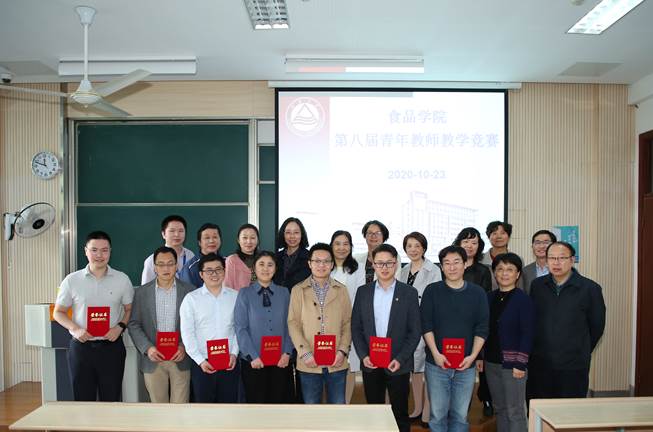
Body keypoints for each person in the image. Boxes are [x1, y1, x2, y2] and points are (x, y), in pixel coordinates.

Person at [53, 231, 134, 401]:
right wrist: (75, 329)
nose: (99, 255)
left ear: (110, 252)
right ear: (86, 251)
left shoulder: (122, 279)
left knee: (111, 399)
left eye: (104, 250)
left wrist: (120, 327)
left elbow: (129, 309)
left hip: (111, 348)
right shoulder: (71, 280)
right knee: (83, 400)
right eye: (94, 250)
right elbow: (58, 312)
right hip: (81, 348)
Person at [351, 244, 421, 432]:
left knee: (400, 413)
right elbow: (356, 327)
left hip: (398, 363)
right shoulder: (363, 292)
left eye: (389, 263)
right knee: (374, 412)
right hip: (371, 363)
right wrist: (364, 355)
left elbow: (415, 331)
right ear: (373, 265)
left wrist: (401, 359)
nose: (384, 267)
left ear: (396, 264)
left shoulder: (409, 293)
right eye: (379, 263)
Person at [421, 245, 489, 432]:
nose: (452, 267)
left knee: (460, 416)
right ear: (442, 267)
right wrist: (436, 354)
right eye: (447, 263)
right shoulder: (432, 291)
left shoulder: (477, 293)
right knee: (438, 415)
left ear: (465, 264)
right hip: (436, 364)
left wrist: (473, 356)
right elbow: (426, 325)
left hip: (465, 365)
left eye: (456, 262)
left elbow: (482, 328)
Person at [528, 242, 606, 400]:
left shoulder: (590, 289)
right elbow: (532, 321)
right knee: (540, 407)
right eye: (552, 258)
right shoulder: (537, 285)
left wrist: (580, 348)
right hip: (540, 362)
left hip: (573, 365)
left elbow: (597, 326)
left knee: (569, 408)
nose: (556, 263)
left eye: (562, 258)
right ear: (546, 260)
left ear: (572, 260)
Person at [128, 246, 195, 403]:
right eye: (161, 264)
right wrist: (148, 348)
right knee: (159, 409)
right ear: (154, 267)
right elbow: (134, 324)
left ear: (176, 265)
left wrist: (184, 346)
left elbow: (195, 325)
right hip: (153, 358)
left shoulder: (189, 291)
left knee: (180, 409)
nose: (166, 268)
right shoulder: (141, 292)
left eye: (170, 264)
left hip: (180, 357)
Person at [287, 243, 352, 404]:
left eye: (326, 261)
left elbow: (348, 323)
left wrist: (342, 351)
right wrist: (305, 353)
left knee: (337, 407)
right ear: (309, 263)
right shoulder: (298, 290)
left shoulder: (341, 290)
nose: (321, 265)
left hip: (336, 361)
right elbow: (293, 323)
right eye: (317, 261)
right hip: (309, 361)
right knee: (312, 410)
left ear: (332, 264)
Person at [478, 253, 534, 432]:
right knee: (499, 408)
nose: (504, 273)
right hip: (491, 363)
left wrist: (520, 363)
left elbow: (528, 333)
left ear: (518, 274)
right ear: (494, 272)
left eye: (510, 269)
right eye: (500, 269)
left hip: (514, 365)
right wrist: (480, 357)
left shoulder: (523, 299)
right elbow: (482, 330)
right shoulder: (489, 297)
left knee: (514, 410)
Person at [180, 253, 239, 403]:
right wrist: (200, 360)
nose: (214, 274)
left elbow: (239, 329)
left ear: (224, 271)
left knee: (228, 407)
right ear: (201, 274)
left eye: (218, 269)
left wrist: (234, 353)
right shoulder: (191, 299)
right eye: (209, 270)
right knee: (204, 409)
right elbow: (187, 333)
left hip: (229, 362)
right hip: (202, 363)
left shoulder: (235, 297)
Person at [234, 251, 293, 403]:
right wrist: (252, 356)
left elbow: (291, 325)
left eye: (270, 265)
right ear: (254, 268)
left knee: (279, 403)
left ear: (275, 268)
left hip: (281, 361)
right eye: (261, 264)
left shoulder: (284, 293)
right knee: (256, 405)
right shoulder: (244, 294)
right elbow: (241, 328)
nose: (266, 268)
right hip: (254, 362)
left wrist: (287, 353)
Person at [398, 232, 441, 426]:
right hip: (406, 326)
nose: (413, 249)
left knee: (427, 371)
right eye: (409, 246)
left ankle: (427, 412)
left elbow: (435, 299)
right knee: (414, 369)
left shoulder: (433, 270)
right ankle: (417, 408)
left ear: (424, 248)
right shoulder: (403, 270)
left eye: (417, 245)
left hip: (425, 325)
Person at [453, 227, 493, 416]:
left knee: (477, 366)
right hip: (452, 328)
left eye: (474, 242)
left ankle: (483, 400)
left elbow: (485, 302)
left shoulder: (483, 270)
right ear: (459, 244)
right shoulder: (450, 267)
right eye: (466, 241)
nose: (470, 245)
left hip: (474, 327)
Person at [330, 230, 366, 403]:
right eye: (337, 244)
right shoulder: (325, 265)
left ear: (351, 247)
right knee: (329, 362)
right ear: (331, 246)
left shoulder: (358, 268)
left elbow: (360, 296)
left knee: (350, 364)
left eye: (346, 244)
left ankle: (346, 404)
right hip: (328, 324)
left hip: (350, 322)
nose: (341, 248)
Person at [141, 215, 195, 284]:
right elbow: (146, 287)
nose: (177, 234)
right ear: (163, 234)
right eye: (172, 231)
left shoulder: (191, 255)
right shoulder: (152, 260)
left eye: (181, 231)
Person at [180, 223, 222, 288]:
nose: (211, 241)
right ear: (199, 242)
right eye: (207, 238)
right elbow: (187, 292)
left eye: (215, 237)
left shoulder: (228, 263)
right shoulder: (189, 268)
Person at [274, 217, 311, 291]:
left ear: (302, 234)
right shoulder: (276, 257)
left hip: (300, 297)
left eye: (296, 232)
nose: (292, 236)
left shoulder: (310, 257)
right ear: (283, 234)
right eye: (288, 232)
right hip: (277, 297)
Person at [480, 221, 519, 291]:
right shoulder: (480, 259)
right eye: (494, 233)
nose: (499, 237)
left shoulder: (517, 259)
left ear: (509, 237)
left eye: (503, 233)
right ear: (489, 237)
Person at [354, 220, 394, 284]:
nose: (373, 236)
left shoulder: (393, 257)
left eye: (378, 233)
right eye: (370, 233)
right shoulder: (356, 259)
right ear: (365, 236)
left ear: (384, 236)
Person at [224, 223, 259, 291]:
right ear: (238, 240)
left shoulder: (262, 259)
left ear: (257, 240)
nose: (249, 241)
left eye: (252, 238)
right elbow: (228, 287)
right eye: (245, 238)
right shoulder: (232, 260)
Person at [521, 230, 557, 294]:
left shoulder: (562, 269)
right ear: (532, 247)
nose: (541, 246)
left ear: (554, 246)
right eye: (537, 243)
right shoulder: (525, 271)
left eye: (546, 242)